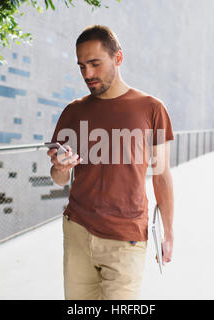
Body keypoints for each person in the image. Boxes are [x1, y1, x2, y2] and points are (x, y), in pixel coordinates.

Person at [47, 25, 174, 300]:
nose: (88, 74)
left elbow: (161, 175)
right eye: (82, 66)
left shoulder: (152, 109)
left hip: (126, 238)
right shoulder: (73, 112)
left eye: (95, 64)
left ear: (118, 58)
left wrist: (169, 232)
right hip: (78, 230)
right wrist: (61, 167)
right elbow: (58, 178)